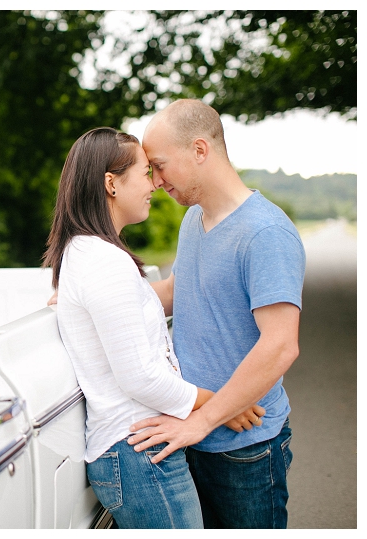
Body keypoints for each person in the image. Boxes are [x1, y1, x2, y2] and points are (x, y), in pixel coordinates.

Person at [42, 127, 264, 529]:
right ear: (111, 183)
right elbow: (140, 376)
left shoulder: (91, 255)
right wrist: (220, 405)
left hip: (140, 450)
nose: (155, 185)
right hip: (139, 453)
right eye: (146, 173)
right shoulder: (102, 262)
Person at [125, 99, 306, 529]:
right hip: (195, 435)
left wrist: (204, 419)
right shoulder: (194, 220)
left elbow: (280, 346)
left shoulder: (266, 233)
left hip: (244, 449)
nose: (155, 179)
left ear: (200, 150)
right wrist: (98, 300)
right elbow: (174, 291)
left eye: (160, 165)